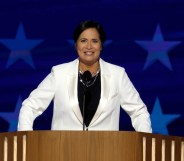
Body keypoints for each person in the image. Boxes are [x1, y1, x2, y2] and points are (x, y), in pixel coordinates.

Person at [18, 20, 152, 132]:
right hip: (63, 152)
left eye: (94, 41)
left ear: (101, 46)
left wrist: (145, 143)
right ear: (76, 45)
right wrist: (26, 139)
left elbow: (139, 112)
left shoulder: (117, 75)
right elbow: (30, 106)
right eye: (83, 41)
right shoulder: (59, 74)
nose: (89, 46)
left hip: (107, 152)